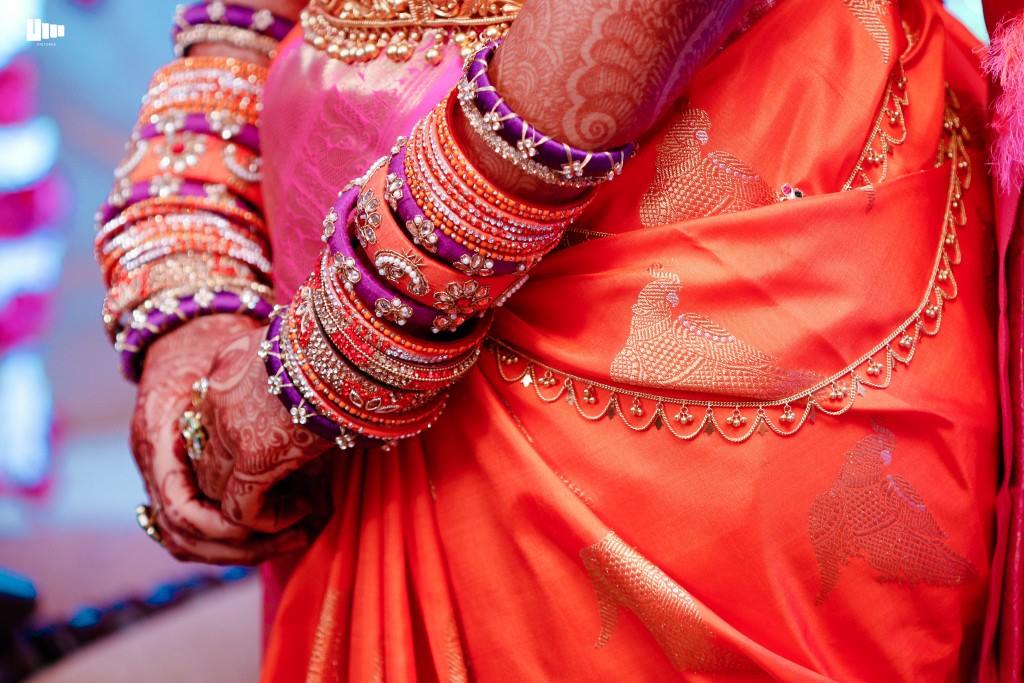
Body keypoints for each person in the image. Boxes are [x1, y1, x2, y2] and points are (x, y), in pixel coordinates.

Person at [99, 0, 1024, 679]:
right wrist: (190, 282)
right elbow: (238, 20)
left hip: (708, 283)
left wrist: (343, 352)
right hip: (323, 308)